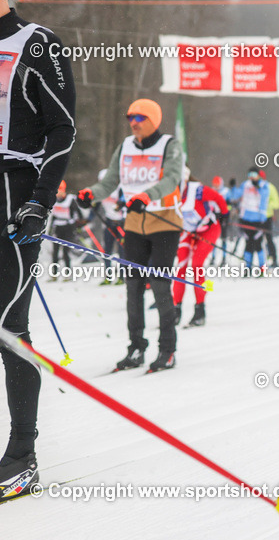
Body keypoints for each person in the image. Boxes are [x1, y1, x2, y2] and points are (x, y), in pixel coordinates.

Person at [0, 0, 77, 500]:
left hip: (15, 194)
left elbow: (63, 128)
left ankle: (22, 456)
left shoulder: (36, 43)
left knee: (8, 326)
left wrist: (40, 201)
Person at [78, 97, 182, 373]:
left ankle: (167, 349)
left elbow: (172, 178)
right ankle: (136, 347)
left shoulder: (169, 145)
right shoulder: (125, 146)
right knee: (133, 287)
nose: (133, 123)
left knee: (160, 286)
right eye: (130, 118)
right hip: (135, 225)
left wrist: (147, 196)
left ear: (153, 120)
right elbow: (110, 182)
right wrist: (91, 194)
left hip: (165, 223)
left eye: (139, 118)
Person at [172, 171, 227, 327]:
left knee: (196, 265)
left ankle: (200, 309)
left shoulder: (197, 190)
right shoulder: (169, 194)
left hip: (208, 229)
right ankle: (175, 310)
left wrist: (224, 215)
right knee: (180, 267)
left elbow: (218, 198)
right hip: (188, 232)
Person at [237, 166, 270, 270]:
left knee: (258, 244)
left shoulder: (264, 185)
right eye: (249, 175)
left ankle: (262, 268)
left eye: (254, 175)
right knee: (248, 244)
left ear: (258, 175)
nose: (251, 177)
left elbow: (264, 201)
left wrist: (263, 220)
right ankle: (247, 268)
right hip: (246, 219)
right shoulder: (245, 185)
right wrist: (233, 188)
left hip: (258, 220)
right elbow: (237, 195)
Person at [48, 181, 82, 275]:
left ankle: (67, 273)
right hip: (58, 227)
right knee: (55, 252)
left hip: (68, 227)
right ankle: (54, 274)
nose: (58, 193)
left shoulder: (70, 200)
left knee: (66, 252)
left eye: (59, 190)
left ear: (63, 190)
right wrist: (50, 229)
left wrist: (78, 227)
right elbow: (54, 216)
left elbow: (78, 214)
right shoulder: (53, 200)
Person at [261, 170, 279, 268]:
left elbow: (277, 203)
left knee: (269, 239)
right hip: (255, 218)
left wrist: (267, 205)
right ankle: (259, 262)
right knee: (255, 241)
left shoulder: (270, 187)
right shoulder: (252, 187)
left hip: (267, 217)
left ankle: (274, 260)